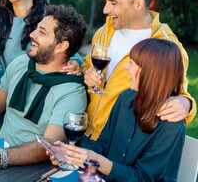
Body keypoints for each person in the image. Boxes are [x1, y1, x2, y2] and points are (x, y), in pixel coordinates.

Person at [0, 5, 88, 169]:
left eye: (42, 32)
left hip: (32, 168)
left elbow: (51, 145)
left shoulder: (72, 92)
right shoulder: (21, 63)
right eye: (36, 29)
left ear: (62, 46)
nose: (32, 34)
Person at [82, 0, 196, 140]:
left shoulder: (167, 46)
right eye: (105, 1)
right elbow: (88, 66)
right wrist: (87, 73)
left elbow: (180, 94)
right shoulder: (105, 31)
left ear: (138, 4)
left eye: (113, 3)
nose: (105, 9)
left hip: (119, 147)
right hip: (85, 136)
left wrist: (187, 104)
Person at [49, 39, 185, 181]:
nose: (126, 67)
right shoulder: (126, 98)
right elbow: (103, 144)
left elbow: (142, 178)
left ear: (151, 72)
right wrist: (72, 154)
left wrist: (99, 162)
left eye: (131, 63)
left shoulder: (171, 127)